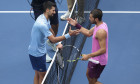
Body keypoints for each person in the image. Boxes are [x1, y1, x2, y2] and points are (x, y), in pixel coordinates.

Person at [28, 1, 79, 84]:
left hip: (35, 51)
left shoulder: (44, 18)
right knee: (43, 77)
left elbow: (52, 35)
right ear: (47, 10)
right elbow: (52, 39)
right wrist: (68, 35)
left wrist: (57, 44)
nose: (55, 12)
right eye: (53, 11)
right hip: (37, 54)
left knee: (37, 74)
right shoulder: (42, 24)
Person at [67, 9, 108, 84]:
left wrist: (88, 56)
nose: (89, 18)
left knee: (92, 81)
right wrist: (76, 25)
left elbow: (103, 50)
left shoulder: (101, 32)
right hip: (94, 58)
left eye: (90, 17)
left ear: (96, 19)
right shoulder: (99, 25)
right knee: (88, 75)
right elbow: (88, 33)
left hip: (98, 61)